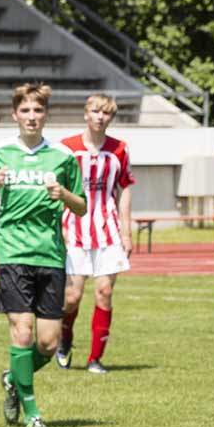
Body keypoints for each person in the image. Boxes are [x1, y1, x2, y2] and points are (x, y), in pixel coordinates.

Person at [0, 82, 87, 427]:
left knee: (48, 343)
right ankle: (33, 413)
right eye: (25, 111)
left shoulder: (64, 156)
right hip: (13, 253)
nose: (32, 117)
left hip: (50, 254)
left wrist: (63, 193)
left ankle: (12, 378)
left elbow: (81, 207)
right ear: (14, 114)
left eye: (38, 111)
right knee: (21, 333)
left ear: (46, 114)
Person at [56, 95, 135, 372]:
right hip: (74, 230)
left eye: (106, 113)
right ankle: (64, 340)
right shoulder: (67, 148)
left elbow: (124, 189)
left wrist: (127, 231)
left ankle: (95, 359)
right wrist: (60, 225)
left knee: (104, 291)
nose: (100, 117)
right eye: (95, 111)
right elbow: (56, 190)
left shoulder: (120, 149)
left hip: (108, 230)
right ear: (86, 114)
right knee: (72, 298)